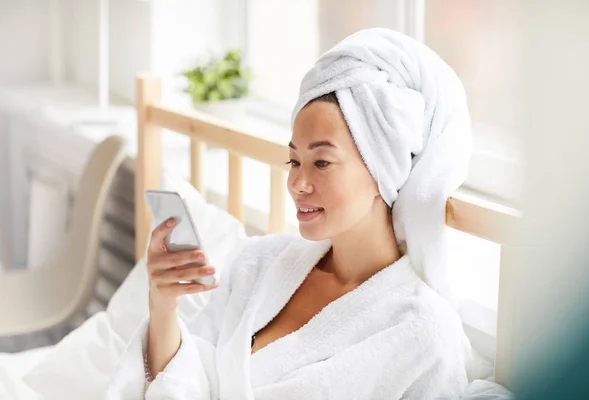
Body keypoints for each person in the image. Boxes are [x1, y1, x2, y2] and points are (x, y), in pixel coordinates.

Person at [107, 28, 473, 399]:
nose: (298, 183)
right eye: (294, 160)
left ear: (385, 170)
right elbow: (190, 381)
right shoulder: (259, 263)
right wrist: (163, 305)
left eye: (322, 162)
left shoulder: (424, 336)